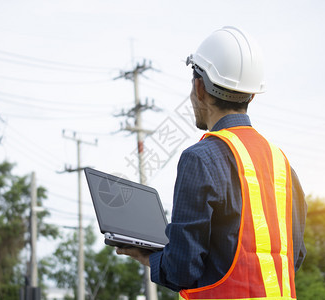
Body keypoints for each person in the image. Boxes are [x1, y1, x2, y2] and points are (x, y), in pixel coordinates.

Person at [117, 26, 307, 299]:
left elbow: (183, 269)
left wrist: (150, 256)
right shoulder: (283, 164)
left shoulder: (200, 158)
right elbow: (293, 256)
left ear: (199, 88)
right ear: (252, 94)